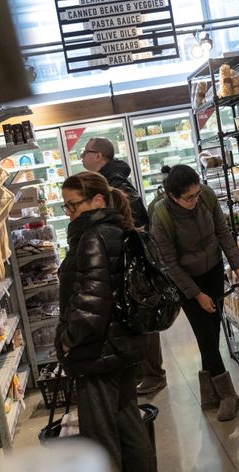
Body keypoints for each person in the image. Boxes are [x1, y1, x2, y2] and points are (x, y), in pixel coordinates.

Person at [55, 171, 164, 472]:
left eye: (74, 205)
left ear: (97, 201)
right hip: (125, 345)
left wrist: (68, 339)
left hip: (96, 351)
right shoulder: (120, 230)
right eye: (66, 206)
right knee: (129, 423)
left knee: (100, 435)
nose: (70, 213)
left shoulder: (91, 237)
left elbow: (91, 301)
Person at [150, 164, 239, 422]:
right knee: (205, 335)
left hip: (213, 270)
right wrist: (196, 295)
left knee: (212, 331)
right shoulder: (161, 217)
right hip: (185, 280)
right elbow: (169, 264)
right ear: (172, 195)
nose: (195, 200)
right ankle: (226, 395)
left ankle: (209, 395)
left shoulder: (206, 196)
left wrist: (236, 264)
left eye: (196, 194)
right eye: (188, 197)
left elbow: (222, 231)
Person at [80, 137, 166, 396]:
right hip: (124, 258)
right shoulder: (108, 181)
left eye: (86, 152)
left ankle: (153, 373)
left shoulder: (115, 183)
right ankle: (144, 371)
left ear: (100, 156)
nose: (82, 157)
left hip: (130, 260)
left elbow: (135, 219)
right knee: (132, 314)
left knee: (141, 313)